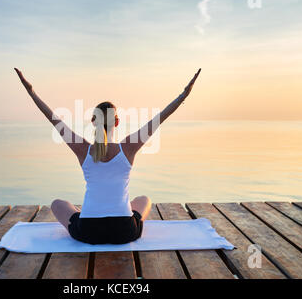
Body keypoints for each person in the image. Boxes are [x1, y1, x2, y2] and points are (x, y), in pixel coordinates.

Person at [14, 67, 201, 244]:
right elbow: (159, 118)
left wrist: (31, 92)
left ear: (93, 121)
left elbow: (54, 119)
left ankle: (85, 212)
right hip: (124, 232)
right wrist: (183, 95)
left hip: (88, 231)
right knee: (144, 200)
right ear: (117, 122)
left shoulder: (83, 149)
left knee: (57, 203)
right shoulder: (128, 147)